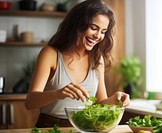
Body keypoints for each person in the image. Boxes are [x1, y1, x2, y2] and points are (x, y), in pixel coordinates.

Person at [25, 0, 130, 128]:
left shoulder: (97, 59)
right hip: (50, 127)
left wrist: (114, 100)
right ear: (78, 24)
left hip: (84, 127)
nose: (98, 36)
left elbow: (100, 103)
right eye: (93, 28)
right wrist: (57, 93)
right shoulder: (50, 54)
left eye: (103, 32)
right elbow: (30, 102)